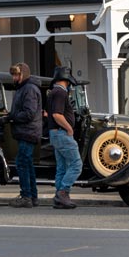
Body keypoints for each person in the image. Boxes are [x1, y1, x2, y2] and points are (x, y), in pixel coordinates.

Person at [6, 63, 43, 208]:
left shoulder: (29, 89)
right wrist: (10, 116)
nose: (14, 78)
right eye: (13, 75)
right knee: (27, 164)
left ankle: (26, 196)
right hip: (27, 131)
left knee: (22, 163)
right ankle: (32, 197)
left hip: (28, 131)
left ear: (23, 75)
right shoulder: (24, 88)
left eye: (16, 75)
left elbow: (29, 113)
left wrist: (11, 117)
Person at [46, 65, 82, 209]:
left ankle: (59, 197)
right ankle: (63, 192)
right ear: (66, 80)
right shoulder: (61, 93)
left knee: (62, 167)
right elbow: (57, 114)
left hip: (54, 133)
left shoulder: (52, 92)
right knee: (76, 165)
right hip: (62, 132)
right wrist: (69, 128)